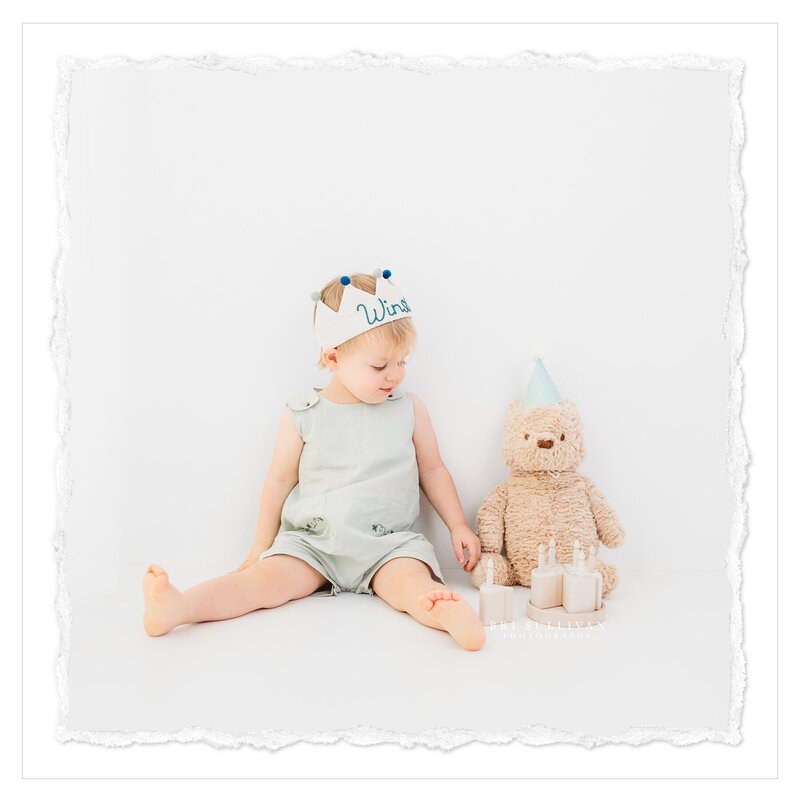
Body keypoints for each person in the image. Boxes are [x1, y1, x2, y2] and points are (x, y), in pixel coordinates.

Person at [142, 269, 486, 651]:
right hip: (312, 544)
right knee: (260, 585)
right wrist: (260, 548)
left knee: (410, 584)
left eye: (402, 362)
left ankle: (444, 612)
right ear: (333, 357)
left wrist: (457, 525)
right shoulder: (303, 413)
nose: (395, 376)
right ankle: (180, 606)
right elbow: (278, 482)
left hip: (387, 546)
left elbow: (433, 469)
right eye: (379, 366)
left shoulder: (409, 409)